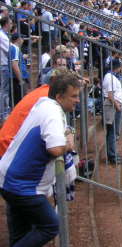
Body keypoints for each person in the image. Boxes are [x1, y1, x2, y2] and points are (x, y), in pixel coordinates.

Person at [0, 72, 80, 246]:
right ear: (59, 96)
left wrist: (68, 132)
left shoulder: (45, 104)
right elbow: (55, 148)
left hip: (9, 177)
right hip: (21, 184)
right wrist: (69, 143)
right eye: (73, 96)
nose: (77, 100)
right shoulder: (52, 112)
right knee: (50, 225)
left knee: (20, 234)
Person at [103, 58, 122, 164]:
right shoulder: (109, 77)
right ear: (118, 67)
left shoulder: (111, 76)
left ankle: (113, 154)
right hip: (113, 106)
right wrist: (117, 106)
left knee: (114, 132)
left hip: (115, 105)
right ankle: (112, 156)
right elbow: (110, 95)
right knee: (113, 132)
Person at [9, 33, 30, 106]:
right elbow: (14, 65)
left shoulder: (14, 48)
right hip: (17, 79)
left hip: (17, 78)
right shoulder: (15, 48)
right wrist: (21, 80)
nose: (23, 40)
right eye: (22, 38)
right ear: (18, 39)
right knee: (20, 102)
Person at [0, 16, 13, 123]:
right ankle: (3, 114)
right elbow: (9, 50)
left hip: (3, 64)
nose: (12, 25)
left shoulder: (3, 35)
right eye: (11, 23)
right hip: (3, 65)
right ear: (6, 24)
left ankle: (4, 112)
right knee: (3, 91)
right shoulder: (1, 35)